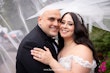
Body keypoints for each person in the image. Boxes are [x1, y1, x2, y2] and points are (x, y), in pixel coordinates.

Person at [31, 12, 100, 73]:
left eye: (70, 24)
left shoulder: (83, 49)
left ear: (77, 28)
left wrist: (51, 61)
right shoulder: (61, 47)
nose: (64, 26)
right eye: (62, 22)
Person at [16, 9, 61, 73]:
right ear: (40, 20)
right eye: (51, 19)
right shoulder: (31, 44)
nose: (56, 24)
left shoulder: (46, 36)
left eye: (59, 20)